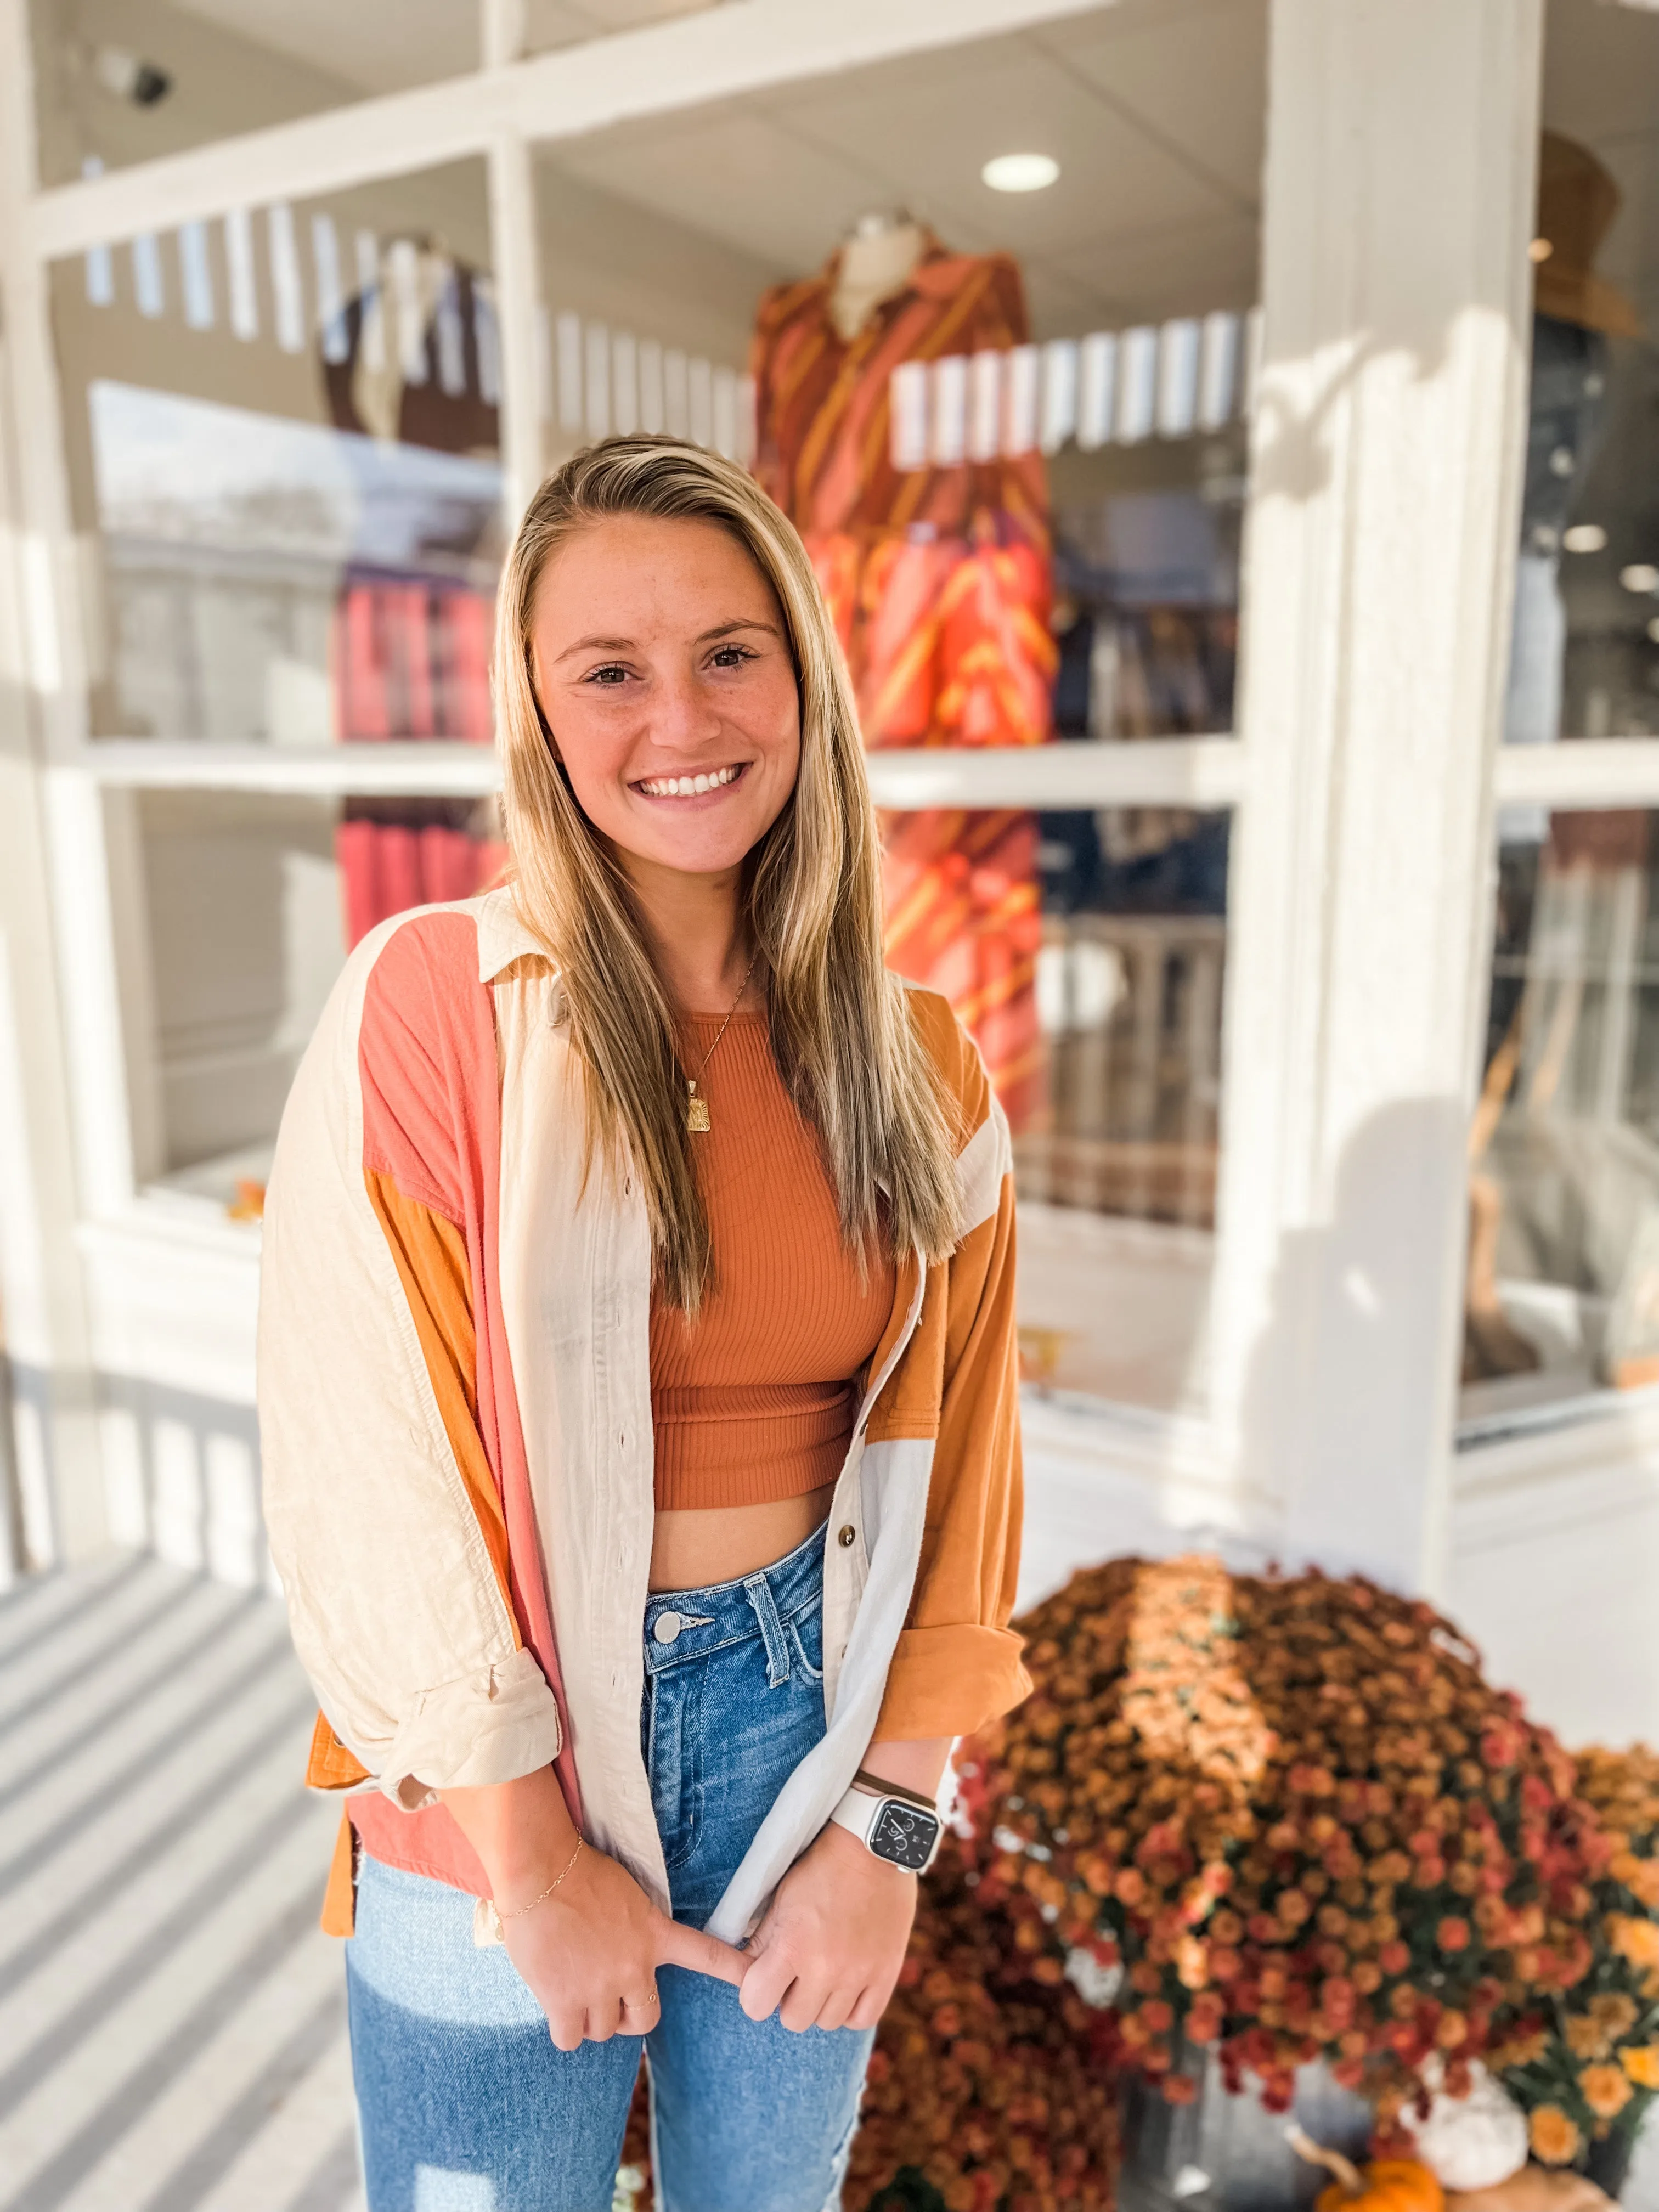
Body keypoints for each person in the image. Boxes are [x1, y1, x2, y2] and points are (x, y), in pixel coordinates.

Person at [257, 434, 1030, 2212]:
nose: (678, 717)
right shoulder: (438, 1003)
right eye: (609, 670)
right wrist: (530, 1855)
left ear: (801, 681)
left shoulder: (917, 1063)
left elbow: (970, 1475)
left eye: (729, 654)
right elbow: (361, 1461)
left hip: (809, 1747)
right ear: (537, 711)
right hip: (489, 1759)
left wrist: (890, 1829)